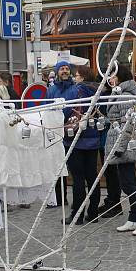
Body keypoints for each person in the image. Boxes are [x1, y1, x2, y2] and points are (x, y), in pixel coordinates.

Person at [106, 65, 136, 236]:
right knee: (128, 182)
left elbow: (129, 125)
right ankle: (134, 218)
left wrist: (120, 147)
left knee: (128, 184)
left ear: (119, 77)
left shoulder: (125, 96)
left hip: (124, 145)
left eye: (112, 75)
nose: (109, 79)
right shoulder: (119, 94)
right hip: (119, 143)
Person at [61, 65, 102, 226]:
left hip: (76, 139)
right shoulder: (98, 90)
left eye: (76, 75)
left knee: (78, 178)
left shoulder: (76, 90)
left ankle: (77, 214)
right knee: (92, 176)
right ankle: (93, 212)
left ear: (82, 77)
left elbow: (65, 111)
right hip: (93, 138)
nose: (74, 78)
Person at [46, 61, 78, 212]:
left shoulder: (75, 88)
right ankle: (59, 198)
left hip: (71, 130)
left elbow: (76, 107)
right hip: (56, 130)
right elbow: (47, 107)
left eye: (67, 69)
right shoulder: (52, 90)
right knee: (56, 165)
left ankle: (75, 198)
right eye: (62, 69)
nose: (64, 71)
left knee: (71, 166)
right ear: (57, 72)